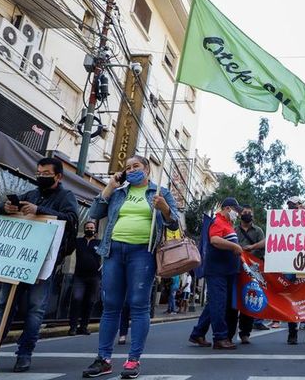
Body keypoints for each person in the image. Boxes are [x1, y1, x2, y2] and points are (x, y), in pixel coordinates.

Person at [82, 155, 179, 379]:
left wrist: (164, 209)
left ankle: (133, 360)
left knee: (138, 304)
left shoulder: (160, 193)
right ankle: (103, 359)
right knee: (111, 305)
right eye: (128, 167)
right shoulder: (118, 193)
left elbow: (174, 223)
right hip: (113, 251)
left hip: (142, 254)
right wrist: (110, 186)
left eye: (136, 166)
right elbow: (94, 214)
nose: (132, 170)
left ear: (147, 170)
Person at [0, 157, 78, 372]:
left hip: (44, 263)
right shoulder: (31, 193)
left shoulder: (66, 197)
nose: (41, 177)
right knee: (2, 307)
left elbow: (71, 219)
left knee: (36, 309)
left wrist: (40, 211)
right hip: (17, 260)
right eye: (38, 172)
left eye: (46, 173)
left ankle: (24, 353)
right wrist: (6, 207)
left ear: (58, 177)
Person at [189, 197, 242, 350]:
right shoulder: (218, 222)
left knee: (215, 303)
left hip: (226, 271)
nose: (236, 214)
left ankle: (198, 333)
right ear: (227, 209)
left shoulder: (228, 224)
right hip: (217, 271)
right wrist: (234, 246)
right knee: (219, 303)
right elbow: (215, 240)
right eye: (235, 211)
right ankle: (220, 337)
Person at [234, 204, 266, 344]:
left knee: (250, 298)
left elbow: (264, 243)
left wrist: (252, 248)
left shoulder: (258, 231)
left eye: (249, 212)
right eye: (245, 212)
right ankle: (229, 332)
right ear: (241, 215)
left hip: (252, 270)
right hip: (236, 268)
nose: (247, 214)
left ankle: (245, 332)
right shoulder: (234, 230)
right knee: (234, 300)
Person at [286, 196, 305, 345]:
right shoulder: (283, 222)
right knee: (291, 299)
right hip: (290, 264)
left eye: (295, 205)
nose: (292, 208)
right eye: (290, 206)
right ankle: (292, 333)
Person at [68, 221, 101, 336]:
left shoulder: (99, 243)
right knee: (77, 299)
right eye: (87, 227)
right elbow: (68, 249)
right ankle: (73, 327)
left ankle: (84, 326)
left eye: (91, 228)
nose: (89, 229)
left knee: (90, 302)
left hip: (95, 277)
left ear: (95, 230)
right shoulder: (78, 241)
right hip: (79, 276)